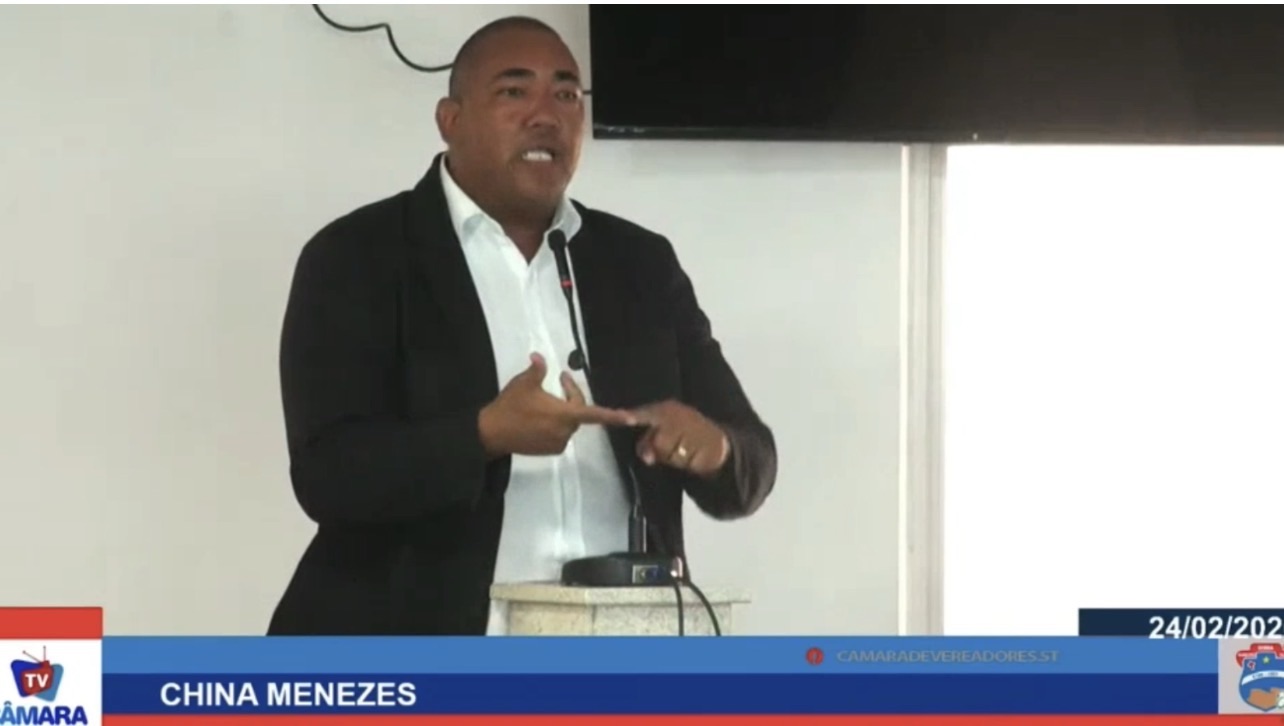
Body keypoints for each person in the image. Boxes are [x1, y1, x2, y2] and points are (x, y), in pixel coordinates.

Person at [267, 16, 776, 636]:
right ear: (450, 119)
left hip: (615, 651)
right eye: (514, 91)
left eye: (566, 94)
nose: (546, 115)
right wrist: (483, 434)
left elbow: (751, 462)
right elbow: (328, 476)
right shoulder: (358, 255)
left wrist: (715, 447)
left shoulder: (640, 264)